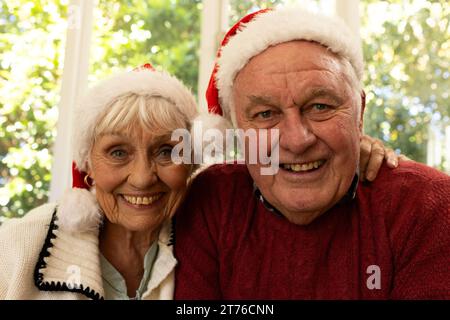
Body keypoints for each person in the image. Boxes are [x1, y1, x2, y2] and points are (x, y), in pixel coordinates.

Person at [174, 7, 450, 299]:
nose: (297, 140)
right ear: (238, 131)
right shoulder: (212, 202)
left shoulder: (426, 207)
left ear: (359, 114)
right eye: (266, 114)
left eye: (321, 106)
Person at [0, 63, 214, 299]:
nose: (142, 179)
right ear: (88, 165)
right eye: (118, 153)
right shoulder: (16, 246)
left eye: (166, 151)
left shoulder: (210, 245)